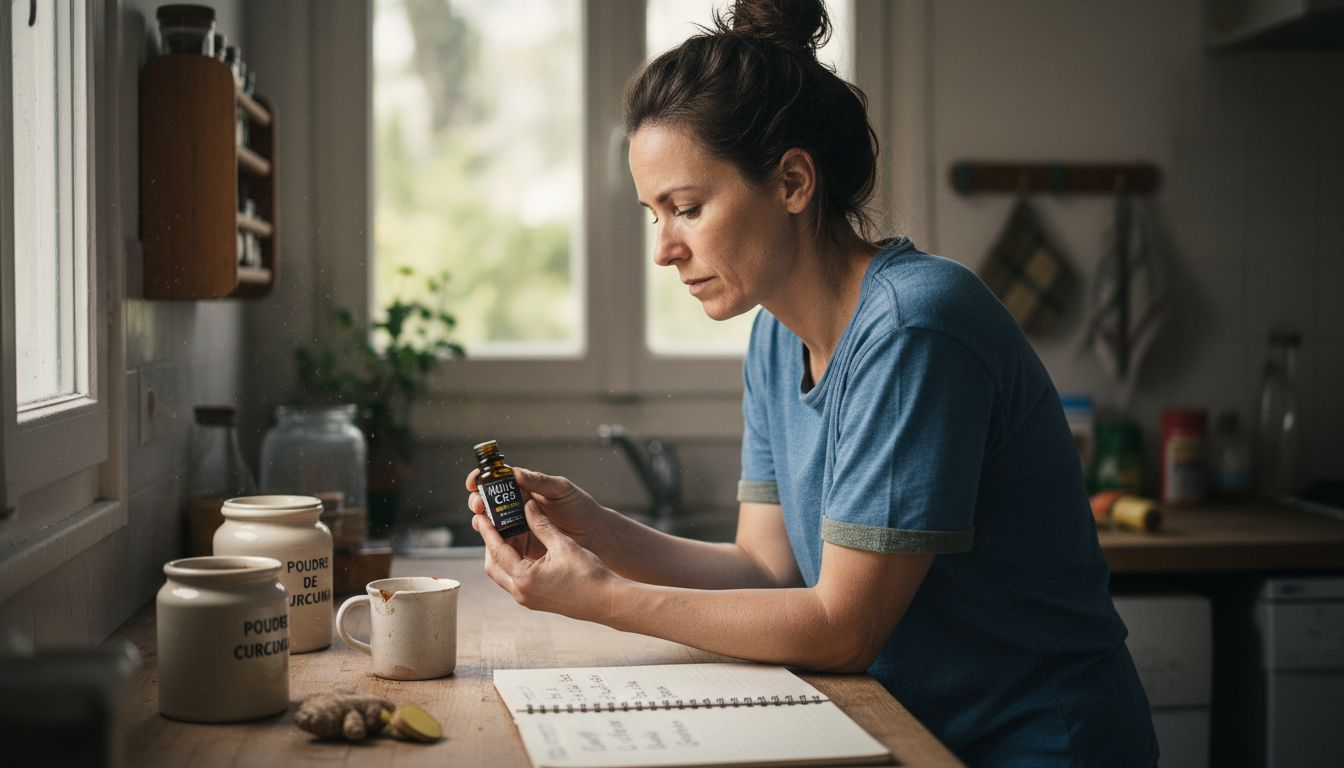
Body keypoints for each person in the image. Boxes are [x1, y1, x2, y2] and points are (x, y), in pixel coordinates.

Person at [466, 0, 1158, 764]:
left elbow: (844, 629)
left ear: (793, 181)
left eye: (687, 208)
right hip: (917, 728)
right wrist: (597, 529)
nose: (664, 250)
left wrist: (603, 601)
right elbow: (767, 570)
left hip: (1034, 742)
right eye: (652, 215)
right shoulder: (774, 334)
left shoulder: (914, 329)